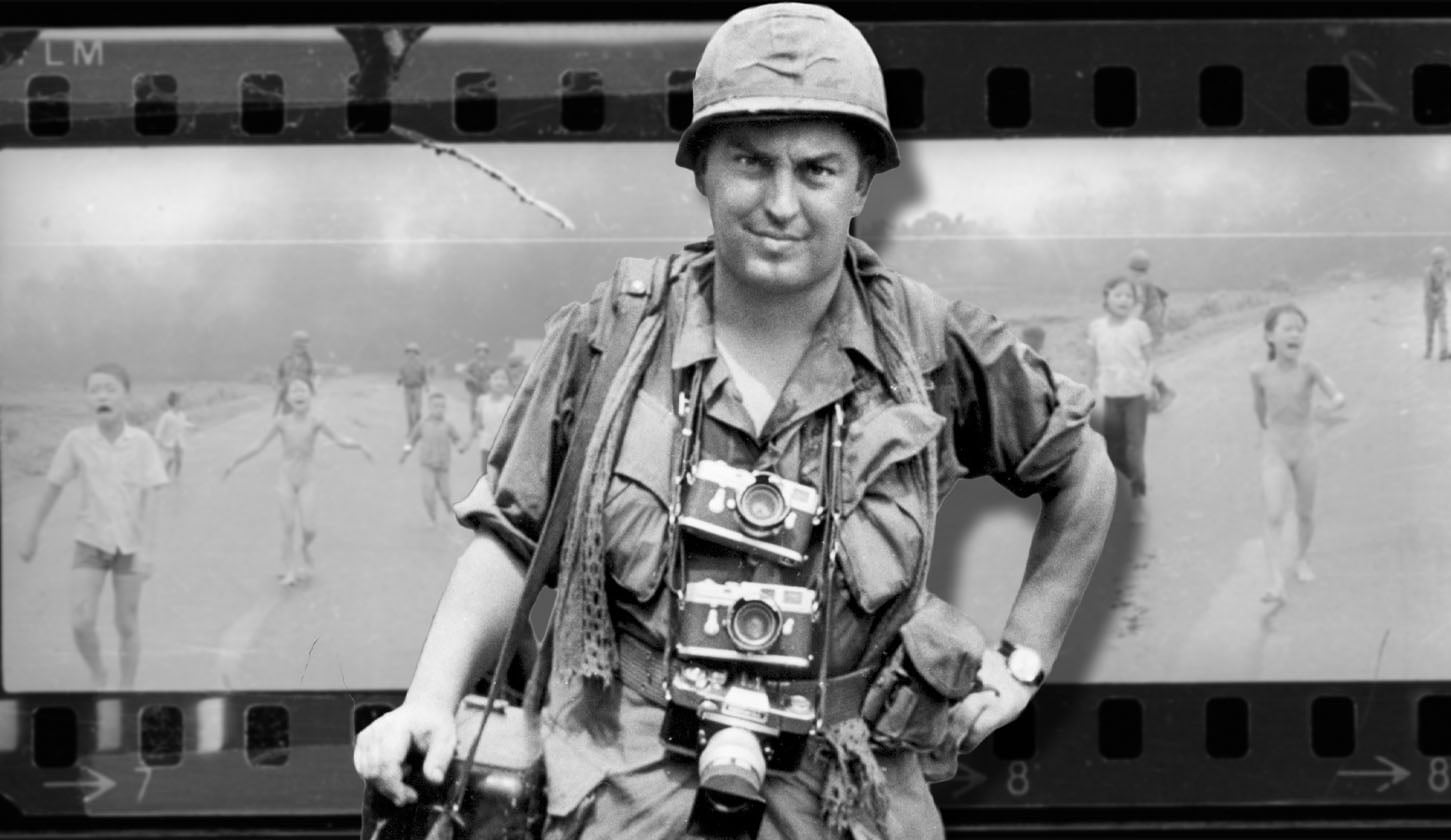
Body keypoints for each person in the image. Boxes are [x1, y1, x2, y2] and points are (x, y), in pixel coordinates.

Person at [353, 5, 1118, 839]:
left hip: (846, 796)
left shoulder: (929, 345)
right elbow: (510, 535)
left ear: (864, 182)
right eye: (750, 162)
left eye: (817, 169)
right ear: (703, 172)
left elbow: (1081, 472)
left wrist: (1023, 662)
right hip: (626, 789)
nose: (781, 203)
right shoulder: (610, 337)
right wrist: (427, 702)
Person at [18, 363, 168, 689]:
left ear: (126, 396)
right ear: (87, 399)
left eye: (110, 388)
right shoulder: (76, 440)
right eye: (95, 389)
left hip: (130, 545)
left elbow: (154, 495)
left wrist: (148, 551)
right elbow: (53, 487)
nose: (102, 395)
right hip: (90, 542)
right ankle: (99, 672)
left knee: (127, 624)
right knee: (81, 621)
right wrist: (31, 532)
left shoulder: (141, 442)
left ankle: (127, 689)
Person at [222, 377, 373, 585]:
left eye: (303, 391)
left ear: (310, 397)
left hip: (307, 478)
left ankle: (304, 548)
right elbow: (258, 445)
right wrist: (235, 462)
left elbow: (340, 439)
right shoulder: (281, 422)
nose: (299, 394)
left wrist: (360, 445)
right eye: (294, 391)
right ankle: (289, 570)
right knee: (288, 525)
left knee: (310, 529)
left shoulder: (316, 421)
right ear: (287, 398)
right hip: (285, 477)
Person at [1250, 305, 1345, 604]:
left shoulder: (1310, 369)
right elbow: (1259, 406)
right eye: (1287, 328)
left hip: (1305, 447)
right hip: (1275, 448)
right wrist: (1265, 433)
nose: (1295, 334)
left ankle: (1301, 557)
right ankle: (1276, 581)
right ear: (1270, 336)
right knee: (1274, 513)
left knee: (1304, 512)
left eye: (1300, 329)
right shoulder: (1258, 372)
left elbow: (1336, 394)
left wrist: (1333, 404)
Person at [1086, 276, 1154, 504]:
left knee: (1134, 447)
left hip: (1136, 395)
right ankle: (1121, 495)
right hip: (1110, 395)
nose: (1124, 299)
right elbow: (1092, 362)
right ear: (1107, 297)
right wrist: (1088, 390)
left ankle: (1137, 496)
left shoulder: (1139, 328)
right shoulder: (1096, 328)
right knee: (1114, 447)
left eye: (1129, 296)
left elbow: (1149, 360)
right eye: (1119, 294)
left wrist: (1148, 384)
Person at [400, 391, 471, 525]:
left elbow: (457, 439)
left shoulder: (448, 425)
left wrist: (461, 447)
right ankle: (433, 518)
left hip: (443, 466)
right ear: (429, 407)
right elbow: (411, 441)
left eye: (442, 406)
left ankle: (448, 506)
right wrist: (404, 454)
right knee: (428, 494)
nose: (439, 409)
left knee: (445, 493)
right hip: (427, 465)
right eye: (436, 406)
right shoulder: (422, 425)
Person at [1126, 248, 1177, 412]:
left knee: (1140, 363)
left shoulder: (1139, 282)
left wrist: (1128, 323)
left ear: (1131, 268)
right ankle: (1151, 398)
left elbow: (1140, 304)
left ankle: (1163, 391)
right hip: (1153, 328)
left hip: (1150, 330)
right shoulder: (1146, 280)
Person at [469, 367, 515, 474]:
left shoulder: (512, 402)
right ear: (489, 381)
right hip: (486, 446)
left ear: (508, 383)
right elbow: (477, 422)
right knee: (486, 477)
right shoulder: (482, 400)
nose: (499, 381)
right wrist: (467, 442)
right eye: (496, 378)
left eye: (503, 378)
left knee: (503, 478)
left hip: (505, 448)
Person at [1421, 246, 1451, 361]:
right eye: (1443, 260)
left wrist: (1449, 273)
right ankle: (1428, 351)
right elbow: (1427, 289)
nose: (1444, 262)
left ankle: (1444, 351)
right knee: (1430, 328)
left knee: (1443, 327)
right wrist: (1434, 298)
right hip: (1430, 304)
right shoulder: (1428, 271)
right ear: (1437, 260)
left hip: (1441, 303)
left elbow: (1448, 279)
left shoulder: (1443, 270)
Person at [153, 390, 196, 478]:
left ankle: (177, 478)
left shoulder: (182, 414)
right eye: (181, 402)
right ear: (176, 403)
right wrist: (159, 442)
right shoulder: (166, 416)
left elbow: (183, 423)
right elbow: (159, 430)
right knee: (170, 461)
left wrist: (193, 426)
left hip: (179, 442)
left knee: (179, 462)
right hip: (168, 443)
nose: (183, 403)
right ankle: (164, 477)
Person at [275, 330, 316, 416]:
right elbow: (279, 375)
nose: (300, 348)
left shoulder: (309, 360)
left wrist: (311, 387)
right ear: (293, 345)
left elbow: (312, 376)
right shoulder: (285, 359)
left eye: (303, 346)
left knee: (302, 419)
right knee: (287, 419)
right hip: (288, 394)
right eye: (298, 345)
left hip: (302, 394)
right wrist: (280, 386)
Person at [397, 341, 429, 431]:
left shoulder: (421, 365)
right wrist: (399, 380)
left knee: (418, 412)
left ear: (417, 353)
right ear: (406, 353)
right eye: (409, 352)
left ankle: (417, 429)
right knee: (409, 412)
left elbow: (425, 377)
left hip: (417, 389)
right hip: (407, 389)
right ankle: (411, 429)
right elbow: (400, 375)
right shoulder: (403, 365)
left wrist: (426, 386)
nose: (411, 354)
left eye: (414, 352)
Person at [464, 341, 495, 429]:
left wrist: (489, 382)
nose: (482, 354)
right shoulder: (472, 363)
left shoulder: (490, 364)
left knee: (485, 407)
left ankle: (484, 425)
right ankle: (474, 425)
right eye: (479, 351)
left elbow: (493, 375)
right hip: (475, 390)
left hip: (485, 390)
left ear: (487, 353)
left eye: (484, 351)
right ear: (476, 353)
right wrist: (472, 379)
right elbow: (466, 373)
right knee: (474, 408)